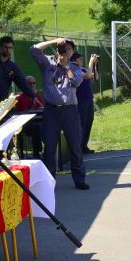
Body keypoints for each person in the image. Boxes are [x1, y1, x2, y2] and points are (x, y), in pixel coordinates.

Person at [30, 37, 88, 190]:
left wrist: (65, 66)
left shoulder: (75, 68)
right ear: (57, 50)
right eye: (62, 48)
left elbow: (76, 82)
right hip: (51, 110)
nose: (64, 51)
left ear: (72, 52)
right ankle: (49, 182)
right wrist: (54, 41)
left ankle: (79, 179)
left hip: (70, 111)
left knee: (75, 145)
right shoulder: (47, 63)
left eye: (68, 49)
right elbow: (34, 49)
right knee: (49, 147)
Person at [0, 35, 39, 120]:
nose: (8, 50)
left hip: (4, 102)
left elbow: (22, 82)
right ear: (1, 47)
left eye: (10, 48)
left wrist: (32, 95)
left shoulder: (13, 67)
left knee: (5, 126)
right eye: (6, 47)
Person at [71, 52, 99, 154]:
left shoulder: (83, 69)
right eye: (80, 59)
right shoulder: (74, 70)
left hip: (88, 100)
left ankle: (84, 146)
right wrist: (91, 62)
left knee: (88, 122)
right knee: (81, 124)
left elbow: (95, 77)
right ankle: (78, 148)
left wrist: (95, 65)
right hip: (80, 100)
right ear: (75, 60)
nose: (82, 61)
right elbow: (87, 76)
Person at [15, 75, 44, 157]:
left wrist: (37, 101)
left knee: (46, 127)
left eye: (33, 83)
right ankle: (37, 153)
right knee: (37, 127)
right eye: (29, 83)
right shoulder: (21, 97)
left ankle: (49, 152)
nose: (32, 85)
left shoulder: (37, 96)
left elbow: (43, 109)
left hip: (38, 122)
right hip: (25, 125)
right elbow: (23, 114)